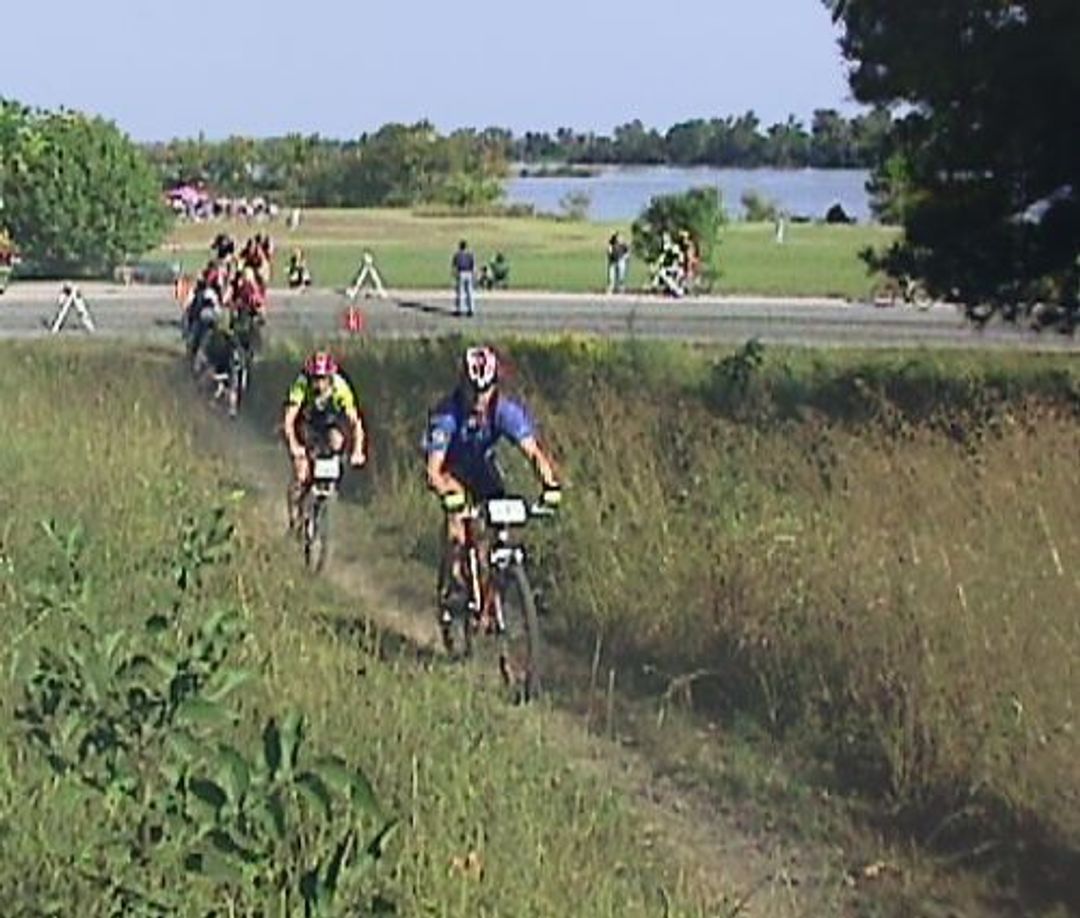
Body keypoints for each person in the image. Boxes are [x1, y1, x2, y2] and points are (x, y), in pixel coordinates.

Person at [424, 346, 562, 619]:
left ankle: (494, 583)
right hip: (451, 469)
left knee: (498, 527)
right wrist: (447, 495)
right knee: (457, 523)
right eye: (472, 391)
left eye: (484, 390)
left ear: (494, 386)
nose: (478, 399)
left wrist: (550, 486)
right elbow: (433, 470)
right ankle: (454, 581)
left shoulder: (504, 411)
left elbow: (533, 452)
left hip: (482, 469)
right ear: (462, 384)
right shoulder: (446, 415)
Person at [282, 350, 367, 532]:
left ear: (330, 377)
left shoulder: (340, 388)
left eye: (323, 379)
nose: (319, 384)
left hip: (329, 424)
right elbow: (289, 420)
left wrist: (358, 450)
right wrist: (294, 446)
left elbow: (355, 422)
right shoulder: (302, 384)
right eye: (315, 379)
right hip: (306, 423)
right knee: (301, 474)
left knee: (336, 440)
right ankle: (294, 518)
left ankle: (330, 484)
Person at [451, 240, 475, 317]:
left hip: (461, 273)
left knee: (460, 292)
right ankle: (470, 309)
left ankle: (459, 310)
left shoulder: (457, 255)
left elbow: (454, 265)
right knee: (469, 292)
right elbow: (473, 265)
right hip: (468, 273)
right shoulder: (470, 254)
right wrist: (473, 273)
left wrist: (454, 273)